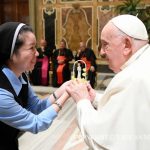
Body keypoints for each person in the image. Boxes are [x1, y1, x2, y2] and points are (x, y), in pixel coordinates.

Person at [66, 14, 150, 149]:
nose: (102, 52)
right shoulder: (142, 64)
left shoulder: (133, 78)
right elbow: (124, 105)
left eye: (105, 44)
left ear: (127, 45)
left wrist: (83, 101)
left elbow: (102, 141)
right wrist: (95, 99)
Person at [0, 22, 69, 150]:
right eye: (31, 48)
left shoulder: (22, 76)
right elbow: (36, 123)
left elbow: (36, 107)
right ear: (11, 53)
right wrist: (66, 95)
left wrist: (63, 89)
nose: (37, 53)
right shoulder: (1, 94)